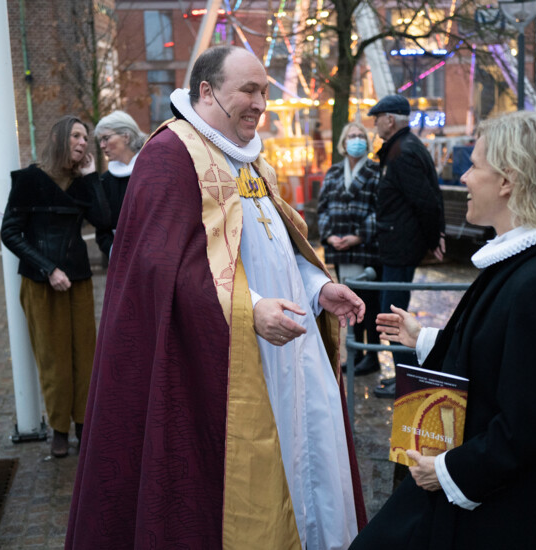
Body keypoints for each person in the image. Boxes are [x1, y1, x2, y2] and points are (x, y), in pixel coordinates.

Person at [67, 45, 367, 550]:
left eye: (265, 91)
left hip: (289, 354)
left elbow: (278, 249)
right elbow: (159, 269)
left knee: (307, 464)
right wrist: (248, 310)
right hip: (222, 362)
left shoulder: (254, 163)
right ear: (206, 90)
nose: (260, 103)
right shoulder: (170, 154)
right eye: (248, 90)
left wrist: (320, 288)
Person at [349, 112, 536, 549]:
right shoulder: (527, 262)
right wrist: (424, 339)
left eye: (474, 166)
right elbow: (507, 355)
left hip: (517, 511)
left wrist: (447, 472)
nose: (465, 177)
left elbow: (529, 421)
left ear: (509, 181)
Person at [0, 115, 109, 458]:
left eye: (85, 137)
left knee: (84, 356)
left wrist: (92, 179)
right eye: (76, 135)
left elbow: (106, 221)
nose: (83, 142)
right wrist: (47, 268)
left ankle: (83, 425)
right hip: (41, 281)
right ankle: (59, 429)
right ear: (60, 137)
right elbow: (10, 232)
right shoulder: (30, 179)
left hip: (77, 279)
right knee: (53, 359)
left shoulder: (82, 182)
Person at [368, 94, 445, 397]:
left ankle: (409, 383)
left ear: (390, 119)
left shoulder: (403, 152)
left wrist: (433, 238)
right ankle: (405, 377)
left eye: (377, 118)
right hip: (397, 246)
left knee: (393, 316)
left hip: (400, 248)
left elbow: (425, 201)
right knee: (393, 313)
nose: (374, 124)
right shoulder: (404, 147)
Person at [318, 120, 382, 375]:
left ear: (367, 142)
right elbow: (322, 208)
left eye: (361, 135)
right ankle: (356, 353)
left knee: (369, 304)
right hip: (340, 248)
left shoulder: (376, 172)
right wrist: (329, 235)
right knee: (350, 302)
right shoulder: (333, 172)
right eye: (352, 136)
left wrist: (358, 236)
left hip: (364, 248)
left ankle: (372, 354)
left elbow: (381, 210)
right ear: (343, 143)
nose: (357, 139)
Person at [93, 110, 146, 266]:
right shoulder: (104, 181)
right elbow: (102, 231)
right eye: (100, 140)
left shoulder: (152, 171)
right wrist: (116, 253)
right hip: (122, 264)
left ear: (126, 136)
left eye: (106, 138)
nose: (102, 145)